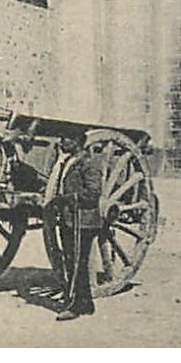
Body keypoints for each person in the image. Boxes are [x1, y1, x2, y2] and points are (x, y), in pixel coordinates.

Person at [55, 136, 104, 321]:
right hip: (71, 219)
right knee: (73, 261)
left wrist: (68, 198)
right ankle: (86, 304)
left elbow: (93, 193)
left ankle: (74, 306)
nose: (62, 142)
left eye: (66, 139)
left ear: (77, 142)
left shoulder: (89, 164)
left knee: (76, 263)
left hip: (82, 221)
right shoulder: (69, 162)